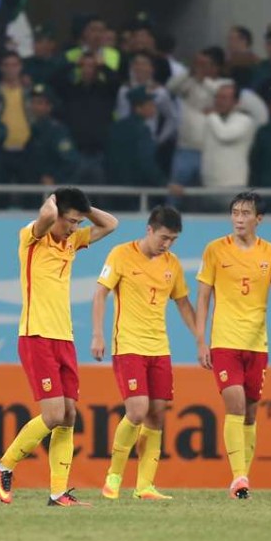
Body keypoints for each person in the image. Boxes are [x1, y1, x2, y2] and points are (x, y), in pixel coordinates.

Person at [0, 189, 118, 507]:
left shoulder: (72, 242)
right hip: (36, 336)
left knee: (70, 414)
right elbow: (47, 217)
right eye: (70, 221)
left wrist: (83, 210)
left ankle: (58, 492)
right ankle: (3, 466)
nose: (73, 228)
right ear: (56, 212)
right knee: (53, 414)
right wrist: (53, 199)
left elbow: (111, 224)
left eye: (77, 222)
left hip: (64, 338)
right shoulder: (32, 238)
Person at [92, 206, 197, 501]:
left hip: (159, 348)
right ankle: (113, 477)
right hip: (128, 345)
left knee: (156, 416)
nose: (168, 244)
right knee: (137, 410)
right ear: (150, 229)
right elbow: (100, 293)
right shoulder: (120, 254)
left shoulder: (172, 264)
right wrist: (98, 334)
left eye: (173, 240)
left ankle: (145, 486)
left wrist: (203, 340)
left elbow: (184, 304)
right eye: (164, 237)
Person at [194, 192, 271, 499]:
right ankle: (239, 478)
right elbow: (203, 297)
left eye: (245, 213)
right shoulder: (214, 250)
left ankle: (243, 477)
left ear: (258, 219)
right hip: (224, 342)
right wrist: (201, 339)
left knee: (250, 413)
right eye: (235, 212)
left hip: (257, 344)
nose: (238, 218)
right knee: (234, 404)